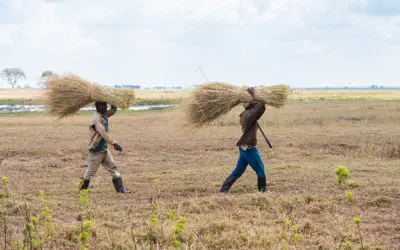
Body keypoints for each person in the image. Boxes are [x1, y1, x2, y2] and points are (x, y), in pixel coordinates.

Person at [219, 87, 267, 193]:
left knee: (238, 171)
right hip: (249, 149)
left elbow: (261, 108)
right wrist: (255, 95)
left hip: (244, 148)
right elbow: (259, 106)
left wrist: (257, 99)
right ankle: (262, 192)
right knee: (261, 171)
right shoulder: (249, 115)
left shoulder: (248, 114)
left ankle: (223, 190)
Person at [80, 101, 132, 193]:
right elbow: (102, 133)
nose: (103, 107)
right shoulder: (97, 118)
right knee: (91, 172)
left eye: (104, 105)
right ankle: (82, 190)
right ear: (96, 106)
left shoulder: (103, 115)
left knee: (113, 168)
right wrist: (114, 143)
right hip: (96, 150)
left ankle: (121, 190)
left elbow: (112, 111)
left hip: (104, 149)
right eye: (100, 105)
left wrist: (113, 101)